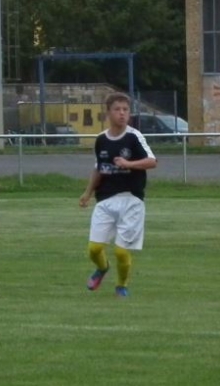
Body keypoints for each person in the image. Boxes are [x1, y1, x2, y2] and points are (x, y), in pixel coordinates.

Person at [80, 93, 157, 298]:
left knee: (121, 251)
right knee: (94, 249)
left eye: (125, 110)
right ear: (108, 113)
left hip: (131, 200)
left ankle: (121, 286)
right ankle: (102, 268)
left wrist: (129, 164)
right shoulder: (101, 140)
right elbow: (99, 168)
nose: (122, 113)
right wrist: (87, 193)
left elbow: (152, 161)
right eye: (117, 109)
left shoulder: (134, 137)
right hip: (105, 200)